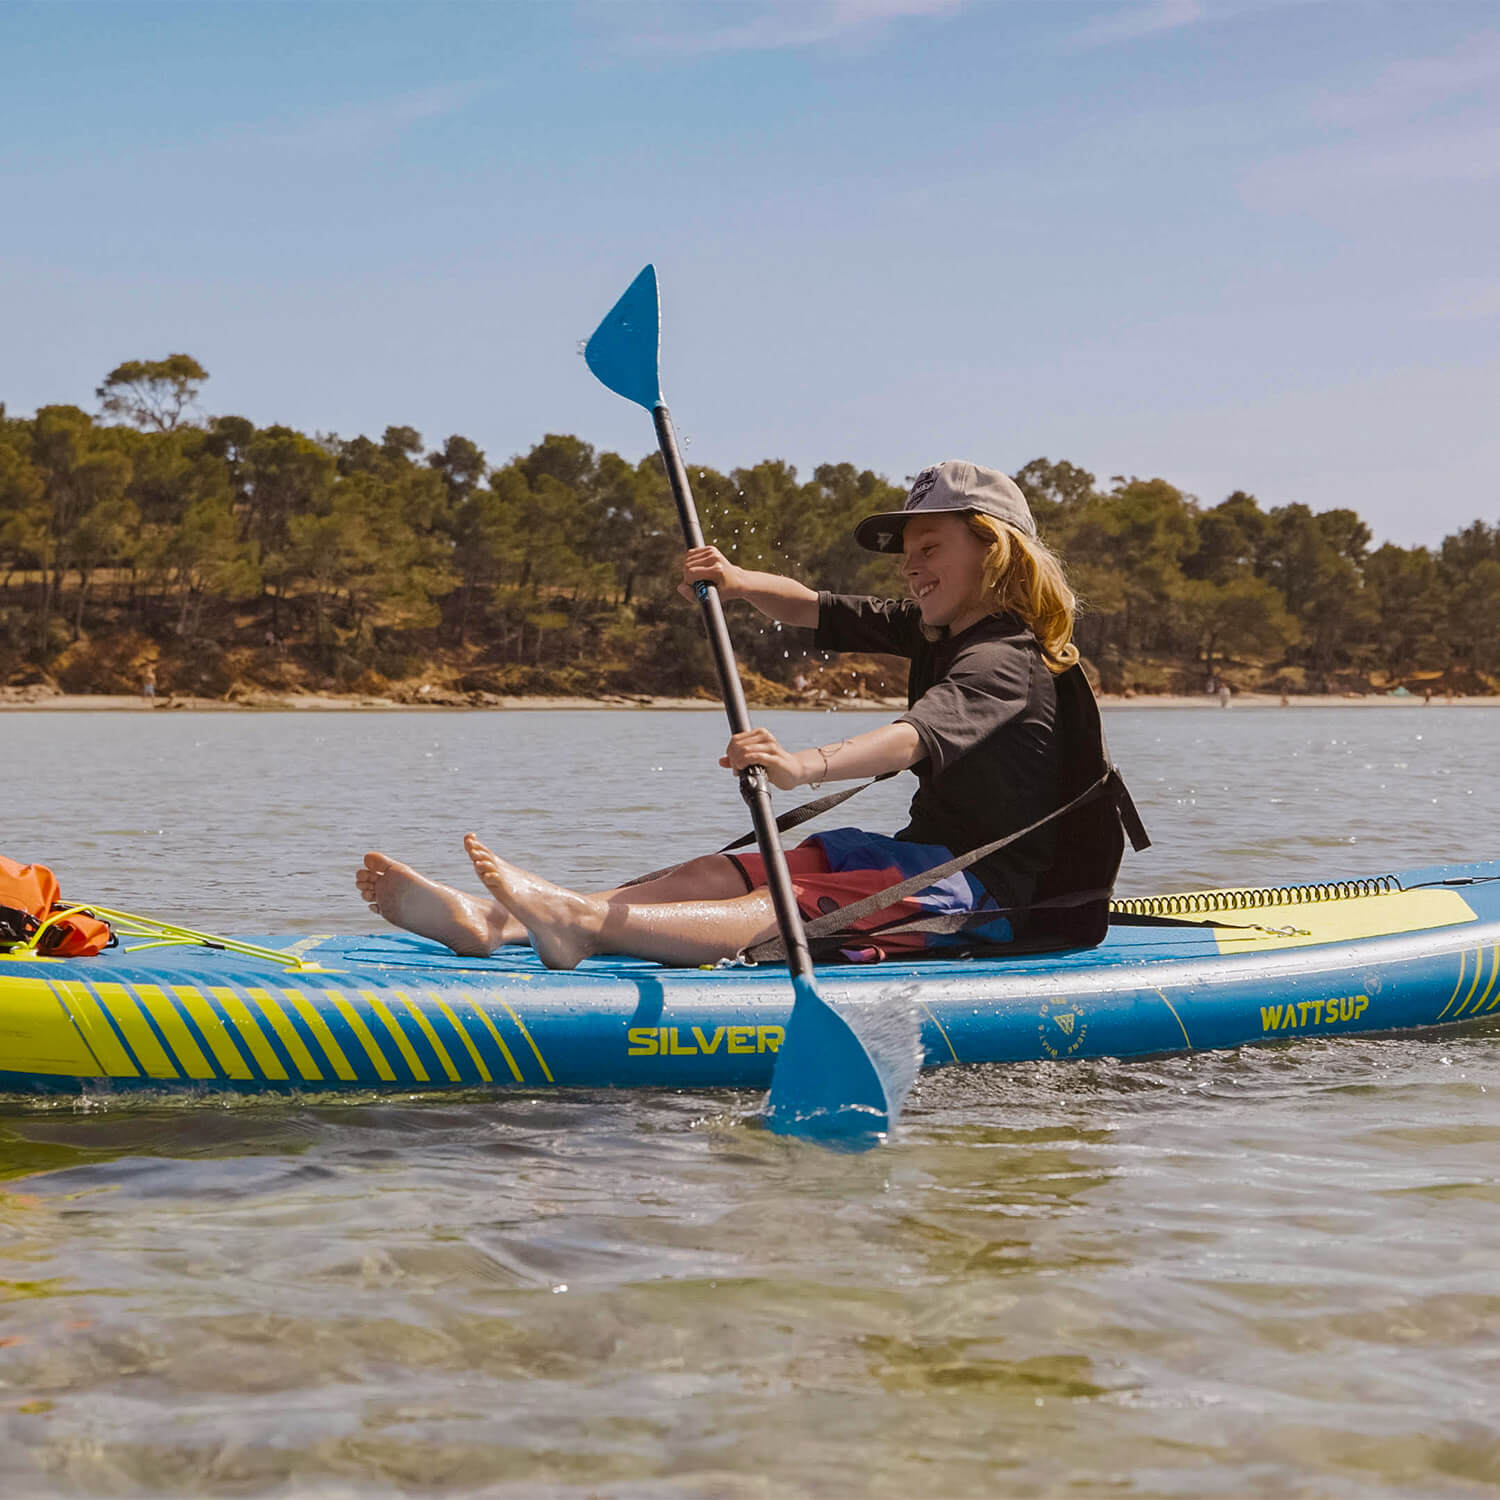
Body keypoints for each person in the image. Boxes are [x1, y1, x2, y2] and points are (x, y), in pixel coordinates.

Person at [356, 460, 1135, 970]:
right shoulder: (933, 626)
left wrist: (803, 766)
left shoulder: (1007, 660)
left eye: (930, 546)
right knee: (712, 872)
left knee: (776, 907)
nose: (911, 564)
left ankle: (584, 923)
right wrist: (732, 579)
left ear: (993, 554)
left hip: (989, 899)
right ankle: (500, 926)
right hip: (917, 856)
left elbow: (915, 737)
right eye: (908, 550)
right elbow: (817, 609)